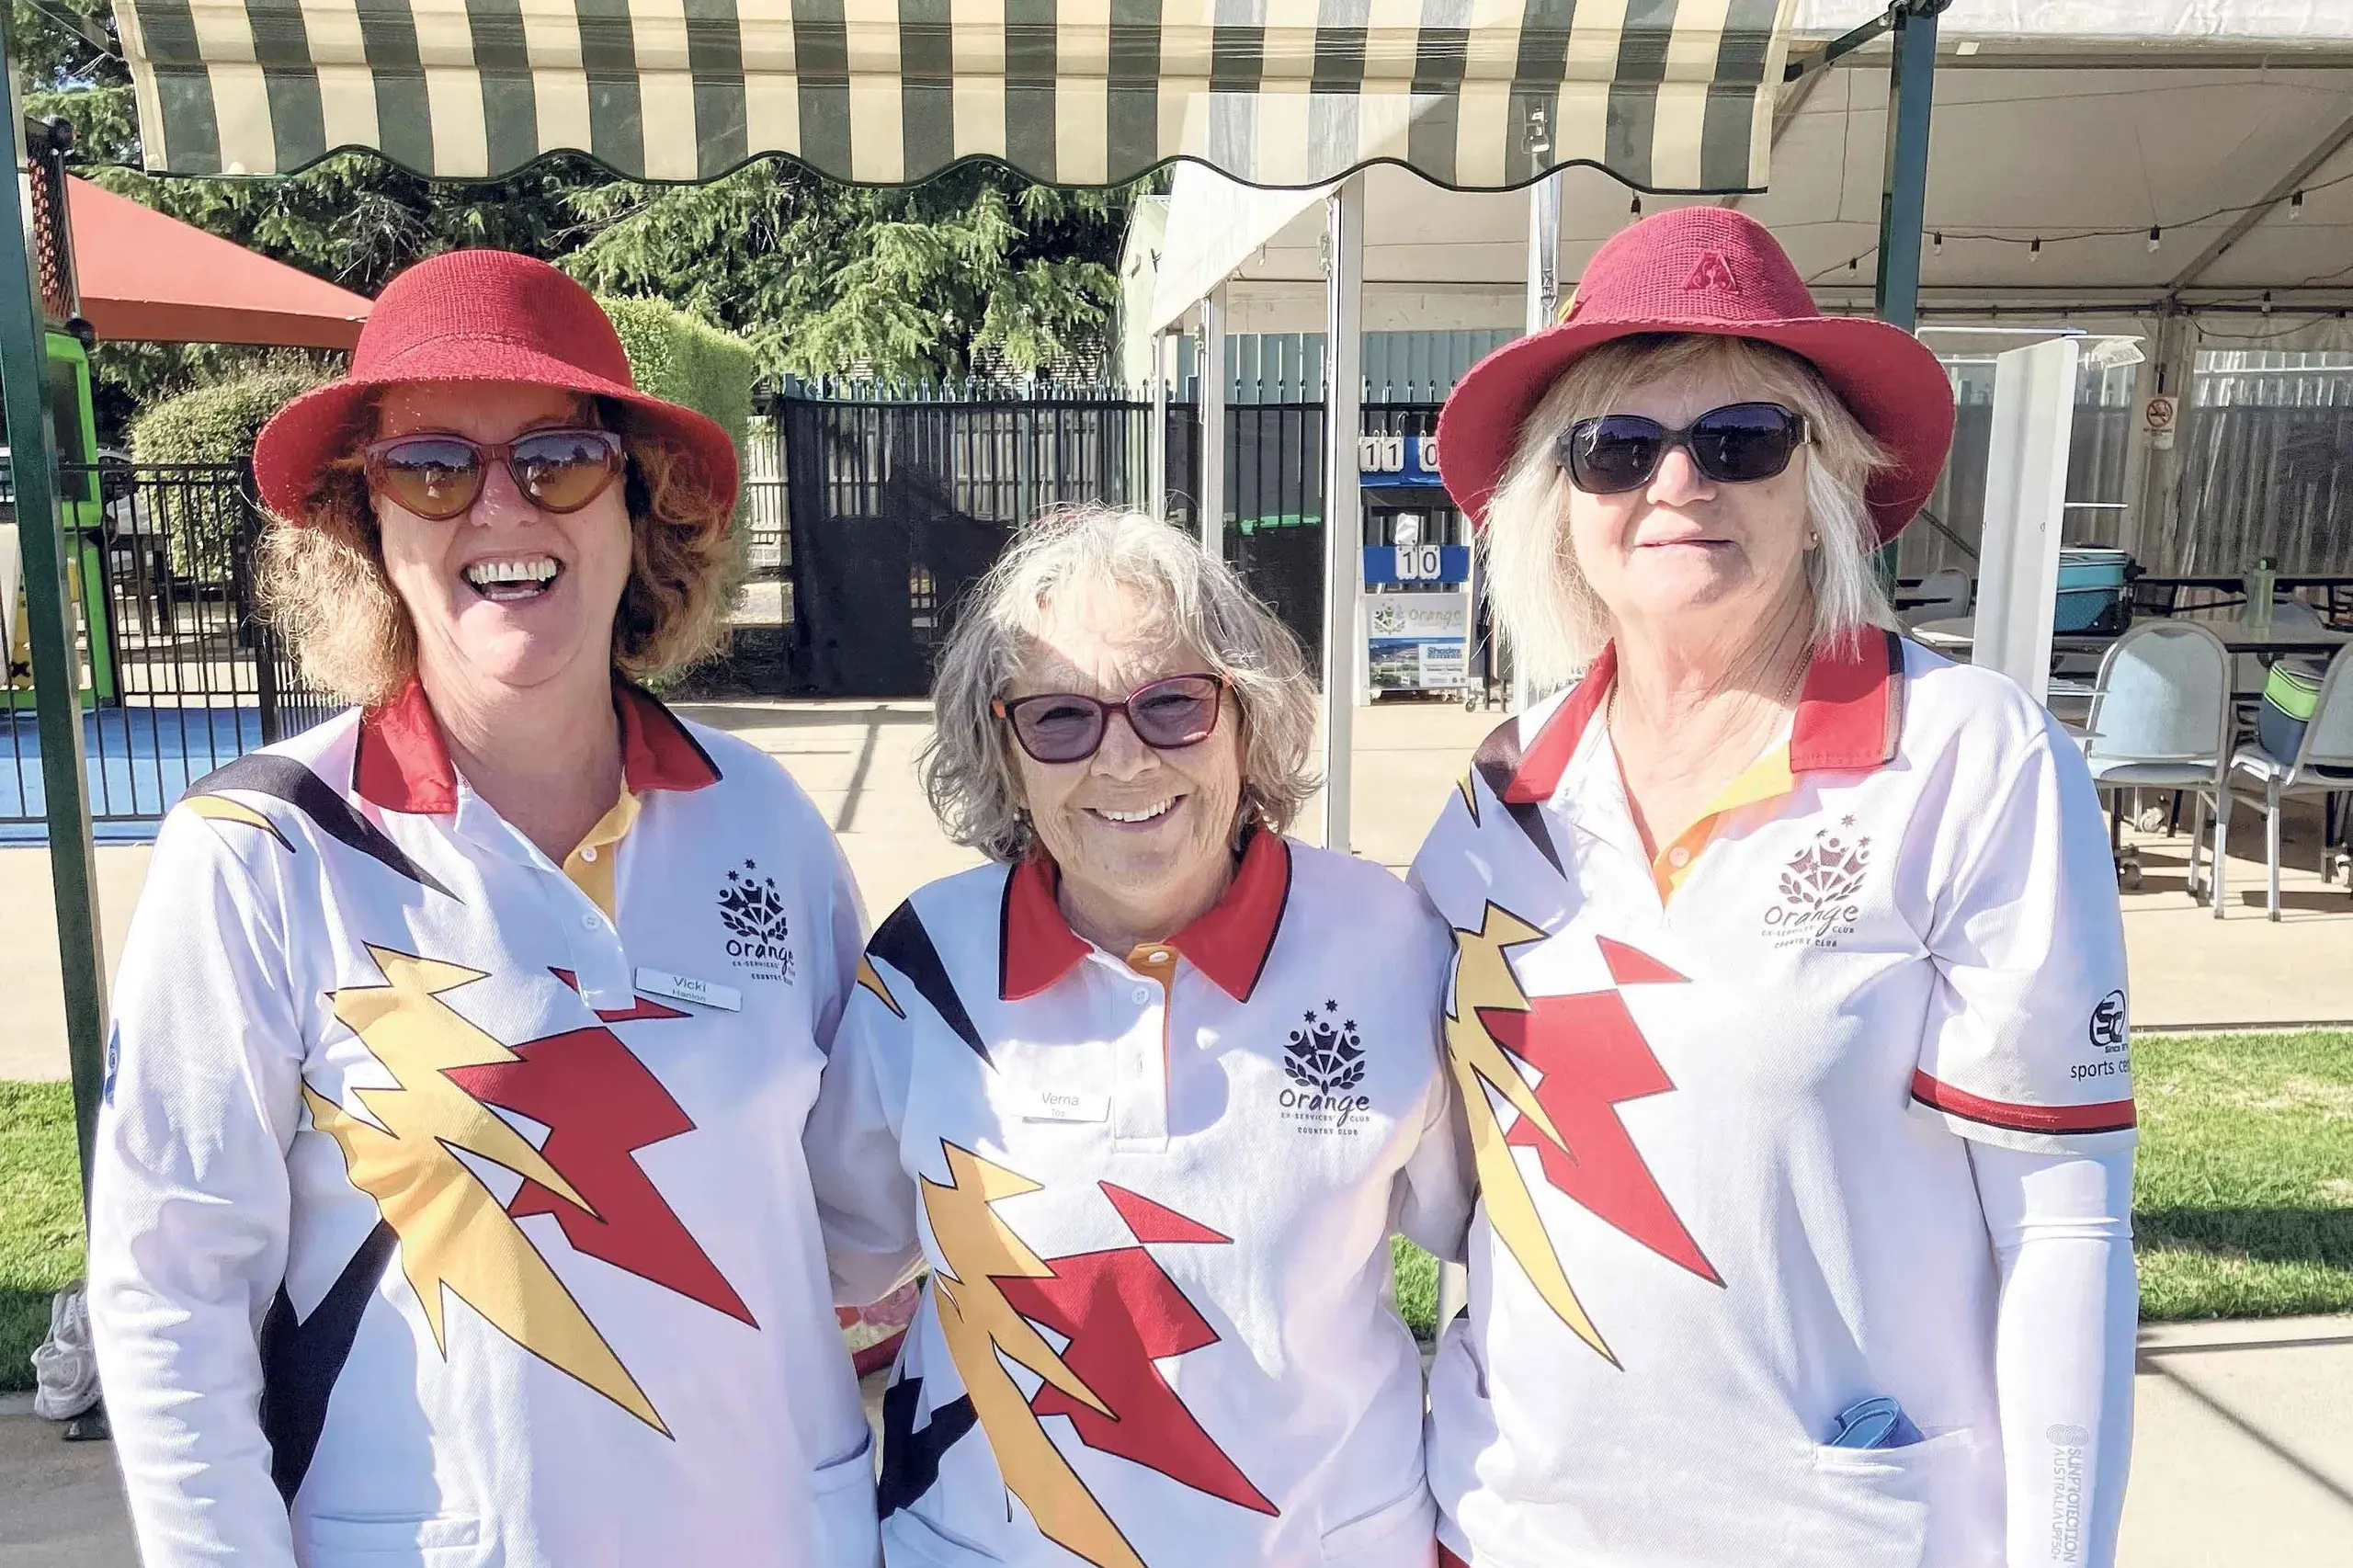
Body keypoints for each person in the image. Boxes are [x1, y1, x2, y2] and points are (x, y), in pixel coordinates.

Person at [87, 250, 880, 1567]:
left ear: (636, 505)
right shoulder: (261, 852)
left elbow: (857, 1214)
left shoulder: (767, 823)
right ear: (368, 526)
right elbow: (171, 1291)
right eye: (431, 467)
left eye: (560, 458)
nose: (500, 505)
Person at [1412, 207, 2137, 1568]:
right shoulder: (1496, 803)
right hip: (1509, 1530)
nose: (1677, 482)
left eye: (1742, 438)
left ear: (1826, 484)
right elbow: (1438, 1187)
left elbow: (2065, 1223)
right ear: (1559, 507)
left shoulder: (1971, 759)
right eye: (1615, 447)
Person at [805, 508, 1471, 1568]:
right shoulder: (924, 967)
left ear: (1246, 715)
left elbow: (1503, 1252)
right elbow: (831, 1258)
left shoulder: (1392, 946)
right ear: (1003, 747)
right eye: (1060, 718)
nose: (1122, 758)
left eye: (1172, 703)